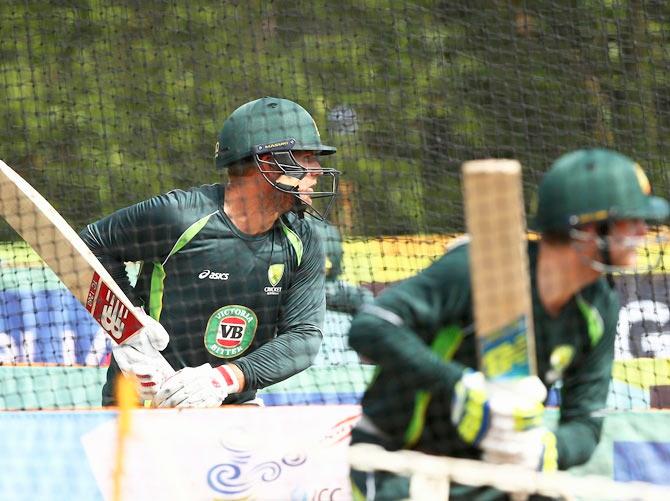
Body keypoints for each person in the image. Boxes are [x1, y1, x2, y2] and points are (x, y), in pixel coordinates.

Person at [346, 148, 668, 500]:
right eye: (632, 220)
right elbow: (371, 327)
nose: (644, 230)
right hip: (398, 463)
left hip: (496, 473)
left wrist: (546, 449)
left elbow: (586, 425)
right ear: (588, 227)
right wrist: (458, 385)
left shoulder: (600, 305)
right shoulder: (478, 268)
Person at [80, 96, 340, 407]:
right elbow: (90, 246)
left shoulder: (303, 237)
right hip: (142, 407)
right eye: (307, 158)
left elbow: (302, 339)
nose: (317, 170)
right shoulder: (179, 216)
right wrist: (130, 327)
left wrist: (224, 379)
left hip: (232, 412)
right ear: (269, 163)